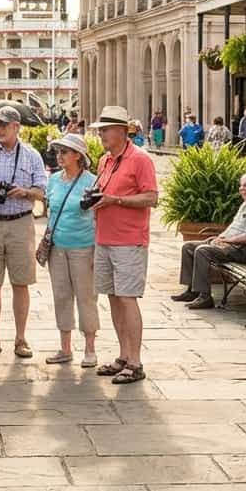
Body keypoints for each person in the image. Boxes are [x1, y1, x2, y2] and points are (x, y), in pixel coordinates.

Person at [88, 105, 159, 385]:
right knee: (113, 298)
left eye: (105, 130)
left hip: (129, 240)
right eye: (100, 131)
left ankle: (136, 362)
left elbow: (151, 198)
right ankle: (123, 356)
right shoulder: (105, 160)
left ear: (121, 131)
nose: (101, 135)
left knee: (127, 298)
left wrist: (116, 201)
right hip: (104, 237)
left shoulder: (140, 159)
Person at [0, 106, 47, 359]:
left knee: (20, 282)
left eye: (3, 125)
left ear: (16, 127)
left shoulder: (32, 156)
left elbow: (42, 192)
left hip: (20, 223)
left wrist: (23, 192)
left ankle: (21, 338)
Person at [43, 134, 100, 368]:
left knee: (86, 297)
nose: (60, 156)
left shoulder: (92, 181)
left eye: (64, 152)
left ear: (78, 155)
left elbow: (99, 215)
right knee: (61, 296)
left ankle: (90, 348)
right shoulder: (54, 179)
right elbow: (49, 210)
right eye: (58, 152)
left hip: (83, 247)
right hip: (57, 247)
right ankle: (65, 348)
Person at [172, 173, 246, 309]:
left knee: (202, 251)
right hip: (233, 245)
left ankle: (205, 297)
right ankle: (192, 291)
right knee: (188, 247)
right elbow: (233, 227)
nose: (241, 189)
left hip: (244, 250)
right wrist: (220, 238)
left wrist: (228, 241)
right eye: (240, 185)